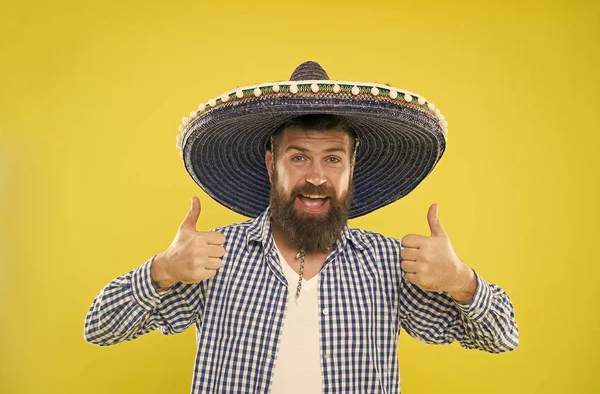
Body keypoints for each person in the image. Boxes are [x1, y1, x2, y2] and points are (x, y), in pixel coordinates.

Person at [84, 61, 519, 394]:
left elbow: (502, 337)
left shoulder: (388, 264)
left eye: (333, 158)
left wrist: (462, 282)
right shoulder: (213, 257)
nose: (316, 176)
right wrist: (162, 270)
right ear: (272, 164)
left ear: (352, 168)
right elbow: (100, 328)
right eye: (298, 157)